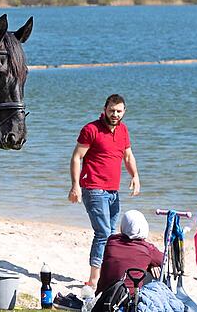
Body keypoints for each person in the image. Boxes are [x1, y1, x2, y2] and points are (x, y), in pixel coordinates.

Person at [68, 94, 141, 287]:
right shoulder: (91, 129)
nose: (115, 114)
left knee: (110, 233)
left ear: (124, 111)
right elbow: (77, 157)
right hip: (93, 188)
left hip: (112, 191)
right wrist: (75, 185)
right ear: (105, 109)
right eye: (111, 110)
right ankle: (94, 279)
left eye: (118, 111)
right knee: (103, 234)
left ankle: (105, 274)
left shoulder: (123, 130)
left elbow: (128, 156)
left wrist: (135, 176)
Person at [95, 210, 163, 295]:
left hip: (103, 297)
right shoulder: (147, 249)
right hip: (128, 301)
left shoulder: (111, 241)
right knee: (157, 272)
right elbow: (163, 260)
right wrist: (151, 265)